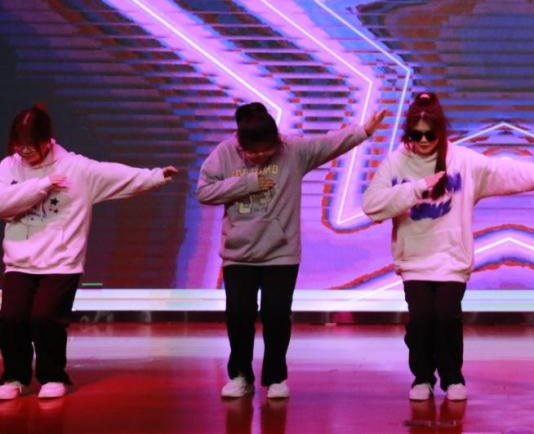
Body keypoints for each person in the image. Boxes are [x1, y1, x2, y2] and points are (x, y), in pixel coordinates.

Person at [362, 92, 534, 402]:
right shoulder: (397, 162)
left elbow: (503, 171)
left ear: (441, 132)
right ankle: (422, 377)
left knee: (447, 318)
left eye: (430, 134)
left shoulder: (462, 160)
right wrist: (416, 188)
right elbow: (372, 205)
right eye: (417, 135)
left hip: (451, 258)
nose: (423, 141)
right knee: (421, 321)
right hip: (415, 260)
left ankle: (452, 378)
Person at [197, 101, 384, 399]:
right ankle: (240, 375)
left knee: (276, 314)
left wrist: (363, 131)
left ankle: (275, 377)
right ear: (241, 144)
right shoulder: (224, 153)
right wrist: (248, 183)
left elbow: (327, 144)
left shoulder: (292, 151)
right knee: (239, 315)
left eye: (266, 151)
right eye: (253, 153)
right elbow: (204, 191)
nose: (260, 156)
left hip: (280, 253)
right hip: (238, 254)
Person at [0, 105, 176, 400]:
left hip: (61, 261)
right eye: (19, 144)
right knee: (11, 318)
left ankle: (53, 376)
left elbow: (116, 175)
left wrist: (156, 176)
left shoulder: (76, 168)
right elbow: (3, 203)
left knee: (45, 318)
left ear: (47, 140)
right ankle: (14, 377)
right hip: (19, 260)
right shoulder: (9, 167)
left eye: (31, 144)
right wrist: (42, 185)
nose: (25, 151)